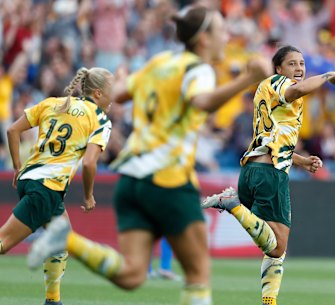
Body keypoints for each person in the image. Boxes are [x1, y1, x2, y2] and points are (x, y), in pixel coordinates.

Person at [26, 4, 272, 305]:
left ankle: (66, 240)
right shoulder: (198, 69)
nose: (227, 36)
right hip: (166, 178)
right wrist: (247, 80)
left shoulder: (161, 62)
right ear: (204, 39)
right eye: (222, 31)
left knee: (132, 274)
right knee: (198, 274)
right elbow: (202, 102)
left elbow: (118, 94)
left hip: (131, 179)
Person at [201, 45, 335, 305]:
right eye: (292, 64)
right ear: (279, 68)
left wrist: (299, 161)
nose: (299, 68)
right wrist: (326, 76)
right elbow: (299, 89)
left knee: (277, 248)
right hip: (269, 174)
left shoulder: (268, 92)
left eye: (301, 64)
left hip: (253, 169)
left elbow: (272, 137)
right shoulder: (279, 84)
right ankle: (232, 204)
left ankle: (269, 301)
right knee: (277, 246)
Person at [0, 66, 114, 305]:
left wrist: (17, 166)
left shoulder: (54, 102)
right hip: (47, 188)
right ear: (98, 94)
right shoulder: (100, 119)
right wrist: (89, 196)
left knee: (62, 242)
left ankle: (53, 301)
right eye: (112, 90)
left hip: (30, 179)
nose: (116, 95)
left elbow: (12, 130)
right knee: (3, 243)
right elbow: (90, 163)